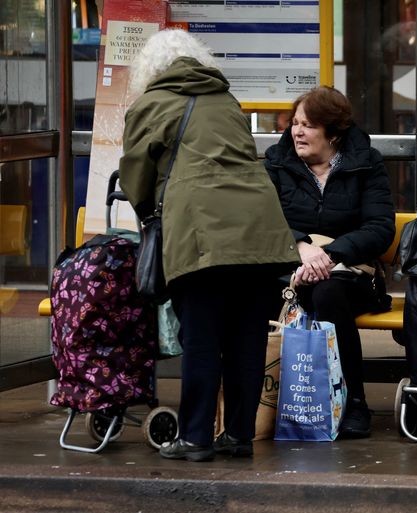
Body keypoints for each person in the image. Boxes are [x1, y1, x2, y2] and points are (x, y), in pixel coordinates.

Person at [119, 29, 299, 461]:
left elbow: (136, 177)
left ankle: (196, 437)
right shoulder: (226, 100)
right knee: (247, 338)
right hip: (259, 229)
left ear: (150, 69)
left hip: (201, 232)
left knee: (201, 337)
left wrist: (151, 212)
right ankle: (237, 435)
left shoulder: (150, 104)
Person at [263, 86, 395, 439]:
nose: (297, 132)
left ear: (333, 133)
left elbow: (380, 229)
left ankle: (354, 403)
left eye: (308, 125)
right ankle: (262, 401)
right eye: (295, 123)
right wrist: (302, 246)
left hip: (351, 276)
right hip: (288, 271)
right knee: (247, 291)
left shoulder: (367, 163)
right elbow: (263, 220)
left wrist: (331, 254)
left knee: (327, 295)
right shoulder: (277, 162)